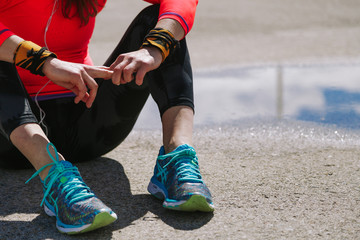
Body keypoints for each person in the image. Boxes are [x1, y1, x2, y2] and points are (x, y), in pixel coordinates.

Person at [0, 0, 214, 235]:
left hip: (89, 126)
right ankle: (56, 178)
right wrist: (45, 62)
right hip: (11, 139)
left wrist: (155, 48)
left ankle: (177, 156)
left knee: (160, 22)